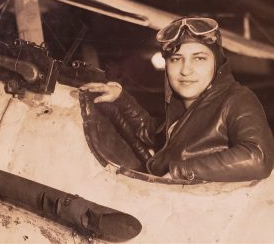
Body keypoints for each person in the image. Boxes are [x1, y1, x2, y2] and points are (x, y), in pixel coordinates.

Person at [80, 17, 274, 183]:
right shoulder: (185, 104)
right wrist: (121, 98)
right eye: (176, 59)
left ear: (217, 63)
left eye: (199, 58)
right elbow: (154, 136)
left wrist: (178, 172)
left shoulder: (237, 99)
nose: (185, 70)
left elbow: (257, 157)